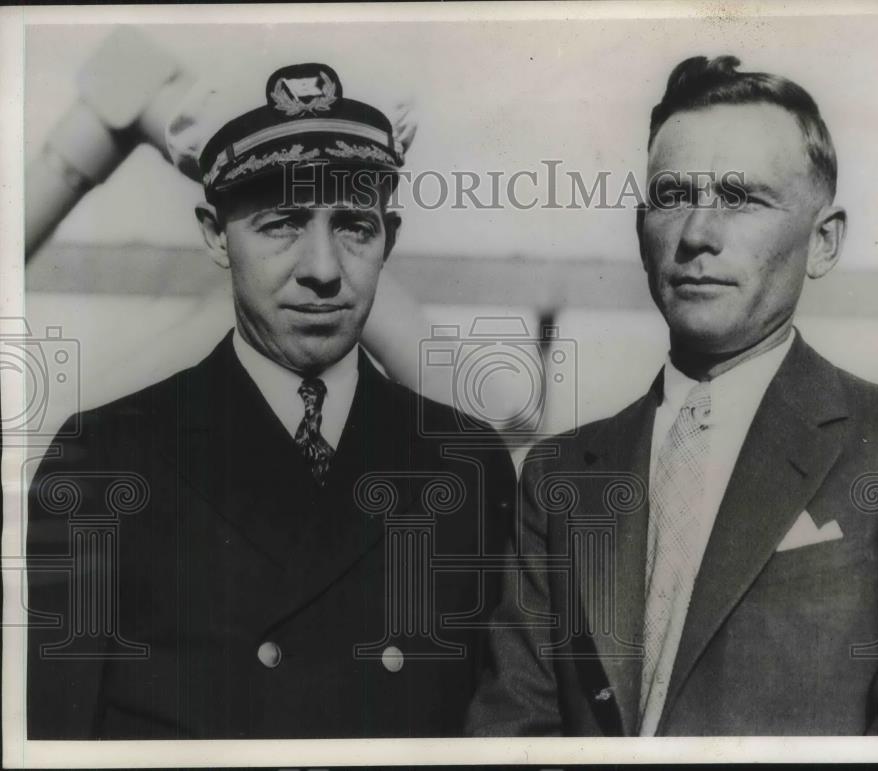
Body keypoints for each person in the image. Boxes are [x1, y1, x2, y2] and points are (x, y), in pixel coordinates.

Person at [467, 55, 878, 736]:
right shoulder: (557, 474)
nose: (697, 235)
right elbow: (513, 734)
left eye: (740, 198)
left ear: (824, 242)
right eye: (673, 196)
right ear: (640, 232)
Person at [27, 62, 515, 739]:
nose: (321, 269)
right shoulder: (101, 464)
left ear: (390, 238)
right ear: (212, 233)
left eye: (353, 225)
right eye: (283, 222)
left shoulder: (467, 464)